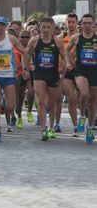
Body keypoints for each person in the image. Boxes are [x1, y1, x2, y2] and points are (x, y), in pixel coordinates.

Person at [23, 17, 69, 141]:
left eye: (48, 27)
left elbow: (64, 57)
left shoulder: (58, 41)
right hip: (39, 74)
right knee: (42, 101)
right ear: (39, 28)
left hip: (53, 74)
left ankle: (51, 127)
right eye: (43, 27)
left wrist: (64, 66)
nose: (46, 30)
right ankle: (43, 129)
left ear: (53, 27)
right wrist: (26, 69)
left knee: (51, 104)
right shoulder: (35, 41)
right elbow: (26, 54)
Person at [66, 13, 97, 144]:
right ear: (81, 25)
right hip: (81, 71)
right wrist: (70, 63)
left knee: (93, 103)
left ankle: (90, 127)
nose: (87, 26)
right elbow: (67, 51)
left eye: (90, 23)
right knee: (84, 93)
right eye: (85, 23)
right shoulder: (76, 38)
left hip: (94, 72)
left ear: (94, 25)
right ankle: (82, 116)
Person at [57, 13, 79, 135]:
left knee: (83, 99)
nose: (70, 24)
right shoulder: (60, 38)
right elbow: (59, 54)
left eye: (73, 22)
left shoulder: (80, 37)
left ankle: (84, 120)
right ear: (65, 23)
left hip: (81, 70)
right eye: (68, 22)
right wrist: (64, 64)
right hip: (66, 71)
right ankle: (76, 126)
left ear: (76, 23)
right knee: (71, 99)